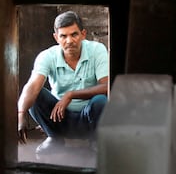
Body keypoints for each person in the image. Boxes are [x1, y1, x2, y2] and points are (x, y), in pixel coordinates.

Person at [17, 11, 109, 154]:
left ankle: (95, 140)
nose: (69, 41)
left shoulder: (97, 50)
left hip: (89, 117)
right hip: (59, 117)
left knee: (101, 100)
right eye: (63, 36)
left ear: (83, 34)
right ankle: (54, 138)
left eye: (74, 34)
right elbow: (32, 86)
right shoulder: (47, 56)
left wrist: (71, 95)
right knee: (36, 96)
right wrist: (21, 114)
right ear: (56, 38)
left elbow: (106, 87)